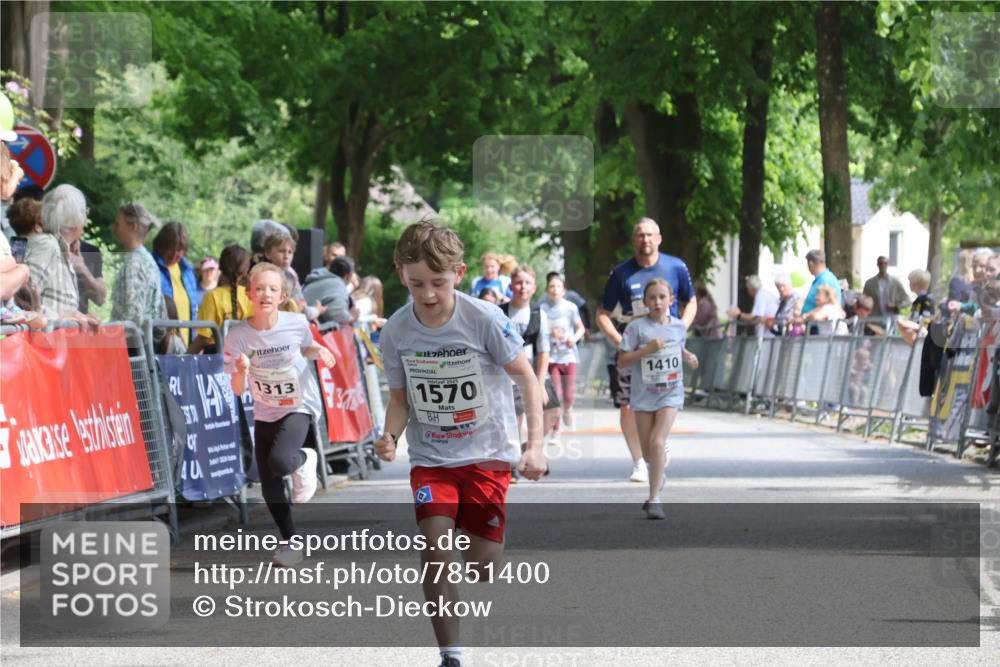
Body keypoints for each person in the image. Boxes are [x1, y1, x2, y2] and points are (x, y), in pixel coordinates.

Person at [373, 221, 545, 667]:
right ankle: (451, 654)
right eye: (416, 284)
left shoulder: (484, 319)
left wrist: (535, 446)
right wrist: (390, 435)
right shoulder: (395, 331)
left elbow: (527, 379)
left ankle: (484, 549)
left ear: (460, 273)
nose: (428, 294)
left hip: (487, 455)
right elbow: (399, 398)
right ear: (400, 274)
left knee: (482, 565)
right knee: (435, 547)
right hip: (432, 458)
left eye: (438, 283)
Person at [224, 262, 335, 567]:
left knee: (281, 461)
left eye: (272, 289)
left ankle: (305, 459)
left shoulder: (296, 322)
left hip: (298, 404)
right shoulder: (238, 335)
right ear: (249, 293)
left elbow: (308, 347)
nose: (266, 294)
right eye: (259, 288)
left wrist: (320, 353)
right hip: (264, 410)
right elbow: (235, 388)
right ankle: (290, 543)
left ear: (283, 295)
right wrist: (242, 371)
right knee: (269, 480)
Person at [596, 217, 696, 484]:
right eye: (640, 235)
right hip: (636, 345)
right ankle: (639, 461)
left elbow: (692, 301)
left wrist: (679, 331)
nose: (645, 240)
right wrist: (620, 341)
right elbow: (602, 314)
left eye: (650, 235)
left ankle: (658, 441)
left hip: (666, 352)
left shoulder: (676, 266)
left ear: (659, 238)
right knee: (628, 405)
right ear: (633, 240)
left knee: (665, 401)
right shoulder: (621, 273)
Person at [617, 279, 698, 519]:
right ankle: (657, 469)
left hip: (670, 392)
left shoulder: (679, 326)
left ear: (671, 300)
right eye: (652, 297)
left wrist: (688, 356)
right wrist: (646, 350)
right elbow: (623, 361)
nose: (657, 302)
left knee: (657, 441)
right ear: (644, 302)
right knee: (648, 452)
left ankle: (654, 500)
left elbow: (677, 348)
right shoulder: (636, 328)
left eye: (662, 297)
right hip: (643, 395)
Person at [502, 265, 561, 458]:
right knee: (517, 415)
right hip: (508, 372)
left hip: (533, 370)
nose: (523, 287)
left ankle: (528, 447)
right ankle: (513, 460)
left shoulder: (538, 314)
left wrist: (541, 383)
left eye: (527, 283)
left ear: (534, 287)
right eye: (519, 283)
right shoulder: (499, 313)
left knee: (553, 409)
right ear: (511, 286)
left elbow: (544, 351)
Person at [24, 184, 99, 327]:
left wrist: (77, 316)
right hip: (37, 346)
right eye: (85, 212)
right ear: (76, 221)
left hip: (49, 345)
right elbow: (22, 300)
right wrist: (60, 319)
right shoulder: (47, 246)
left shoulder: (59, 248)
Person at [110, 203, 167, 340]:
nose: (114, 229)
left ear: (133, 227)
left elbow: (132, 315)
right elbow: (160, 312)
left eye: (118, 224)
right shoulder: (150, 262)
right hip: (144, 344)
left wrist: (110, 338)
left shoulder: (134, 263)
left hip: (129, 346)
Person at [188, 244, 253, 354]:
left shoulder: (212, 296)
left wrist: (184, 358)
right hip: (247, 360)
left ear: (221, 267)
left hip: (217, 362)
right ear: (246, 270)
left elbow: (203, 339)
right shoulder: (251, 296)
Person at [540, 273, 585, 429]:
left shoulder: (570, 308)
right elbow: (539, 332)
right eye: (551, 286)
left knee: (569, 395)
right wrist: (549, 334)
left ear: (563, 290)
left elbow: (581, 328)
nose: (555, 289)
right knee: (556, 393)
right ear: (547, 290)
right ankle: (555, 430)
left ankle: (568, 408)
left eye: (558, 286)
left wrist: (574, 338)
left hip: (569, 356)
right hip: (552, 358)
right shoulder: (542, 309)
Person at [152, 221, 200, 343]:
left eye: (179, 250)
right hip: (159, 346)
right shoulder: (150, 267)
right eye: (170, 249)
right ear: (161, 246)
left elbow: (193, 312)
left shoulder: (188, 271)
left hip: (186, 347)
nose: (174, 254)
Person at [302, 255, 355, 327]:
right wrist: (351, 317)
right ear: (349, 275)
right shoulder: (338, 286)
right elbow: (338, 316)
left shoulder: (319, 278)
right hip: (305, 329)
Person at [897, 269, 933, 347]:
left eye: (910, 282)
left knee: (901, 323)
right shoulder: (916, 301)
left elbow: (926, 320)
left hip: (922, 335)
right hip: (916, 332)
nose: (909, 284)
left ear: (916, 283)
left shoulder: (926, 299)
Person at [801, 249, 841, 315]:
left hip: (817, 323)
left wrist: (804, 317)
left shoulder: (825, 280)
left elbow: (824, 307)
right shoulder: (824, 278)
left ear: (810, 264)